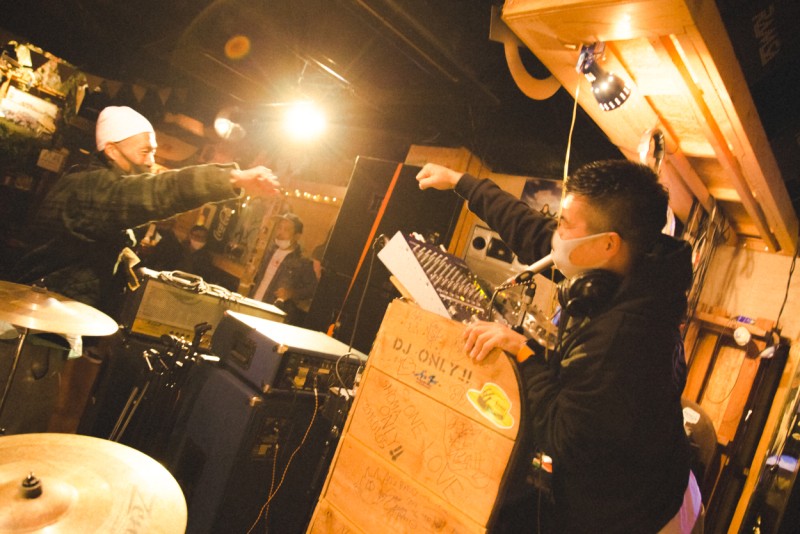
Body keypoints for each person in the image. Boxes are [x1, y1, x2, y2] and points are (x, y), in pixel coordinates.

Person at [416, 160, 700, 533]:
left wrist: (523, 351)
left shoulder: (624, 339)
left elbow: (561, 436)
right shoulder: (628, 266)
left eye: (565, 224)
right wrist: (462, 182)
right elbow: (534, 233)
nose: (556, 234)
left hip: (642, 516)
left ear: (608, 244)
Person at [11, 105, 279, 318]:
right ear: (112, 151)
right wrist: (232, 178)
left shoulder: (94, 184)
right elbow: (159, 192)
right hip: (41, 314)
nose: (151, 161)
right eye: (144, 152)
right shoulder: (91, 186)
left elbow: (85, 238)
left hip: (57, 310)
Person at [250, 213, 317, 325]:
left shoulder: (302, 262)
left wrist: (291, 293)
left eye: (286, 230)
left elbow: (313, 289)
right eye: (279, 227)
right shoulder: (269, 251)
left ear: (297, 236)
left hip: (273, 315)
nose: (280, 232)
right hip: (252, 305)